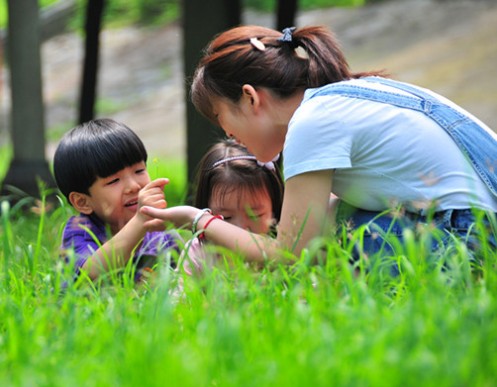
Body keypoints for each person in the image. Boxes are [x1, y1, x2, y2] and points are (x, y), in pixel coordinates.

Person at [142, 25, 497, 267]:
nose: (230, 137)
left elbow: (292, 254)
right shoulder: (346, 96)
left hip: (474, 239)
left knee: (330, 238)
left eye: (221, 119)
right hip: (479, 225)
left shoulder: (311, 122)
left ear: (250, 98)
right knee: (331, 215)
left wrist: (198, 219)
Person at [53, 118, 181, 283]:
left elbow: (188, 277)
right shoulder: (80, 230)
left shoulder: (161, 233)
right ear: (82, 202)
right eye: (114, 181)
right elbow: (90, 273)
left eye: (139, 170)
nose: (134, 186)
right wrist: (139, 222)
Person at [181, 138, 284, 275]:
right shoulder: (198, 253)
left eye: (255, 215)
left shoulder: (283, 254)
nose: (241, 229)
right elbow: (180, 293)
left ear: (275, 208)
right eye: (226, 217)